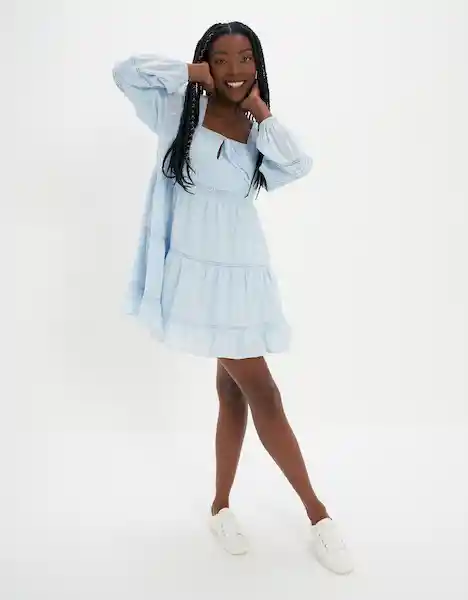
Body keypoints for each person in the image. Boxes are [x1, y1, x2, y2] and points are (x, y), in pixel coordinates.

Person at [112, 21, 354, 575]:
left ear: (257, 64)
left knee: (233, 392)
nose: (235, 70)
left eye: (245, 58)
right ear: (207, 63)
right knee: (263, 391)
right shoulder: (178, 112)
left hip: (244, 273)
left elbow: (297, 165)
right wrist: (191, 74)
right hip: (200, 280)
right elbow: (126, 73)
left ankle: (220, 507)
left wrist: (262, 111)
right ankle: (319, 516)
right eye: (221, 59)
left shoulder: (255, 127)